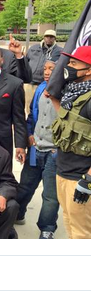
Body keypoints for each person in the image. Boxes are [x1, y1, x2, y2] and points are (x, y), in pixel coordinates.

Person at [49, 46, 91, 239]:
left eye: (74, 63)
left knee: (83, 233)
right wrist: (54, 99)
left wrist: (89, 179)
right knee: (69, 224)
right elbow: (70, 122)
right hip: (63, 172)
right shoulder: (72, 94)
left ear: (89, 70)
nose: (69, 66)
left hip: (81, 177)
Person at [16, 60, 60, 238]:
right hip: (36, 147)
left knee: (50, 195)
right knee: (25, 185)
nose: (47, 72)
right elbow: (31, 115)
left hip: (54, 152)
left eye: (52, 69)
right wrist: (29, 134)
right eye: (45, 69)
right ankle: (17, 214)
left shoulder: (67, 92)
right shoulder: (40, 89)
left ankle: (47, 228)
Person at [25, 29, 62, 111]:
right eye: (47, 36)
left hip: (47, 85)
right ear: (44, 37)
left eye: (51, 37)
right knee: (29, 107)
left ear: (55, 38)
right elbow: (26, 63)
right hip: (31, 83)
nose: (49, 38)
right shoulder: (33, 48)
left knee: (43, 108)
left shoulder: (59, 51)